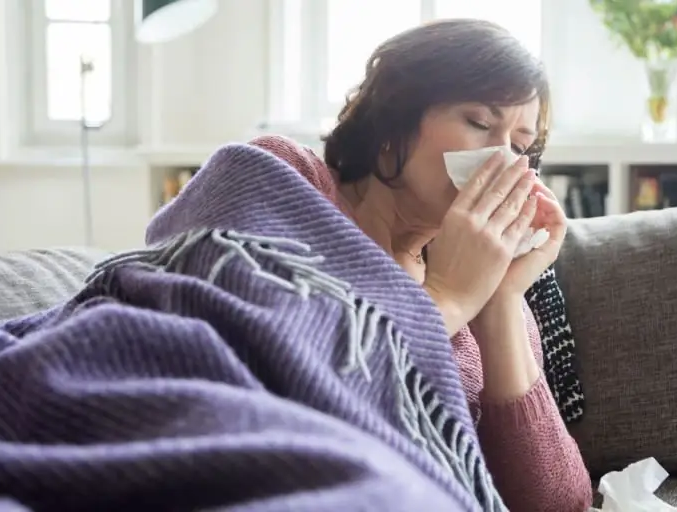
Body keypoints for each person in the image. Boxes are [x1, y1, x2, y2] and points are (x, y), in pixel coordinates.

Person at [250, 19, 593, 512]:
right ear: (395, 121)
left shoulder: (488, 285)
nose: (501, 158)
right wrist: (448, 296)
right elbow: (278, 387)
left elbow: (558, 504)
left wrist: (498, 303)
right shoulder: (289, 177)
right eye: (478, 122)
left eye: (519, 146)